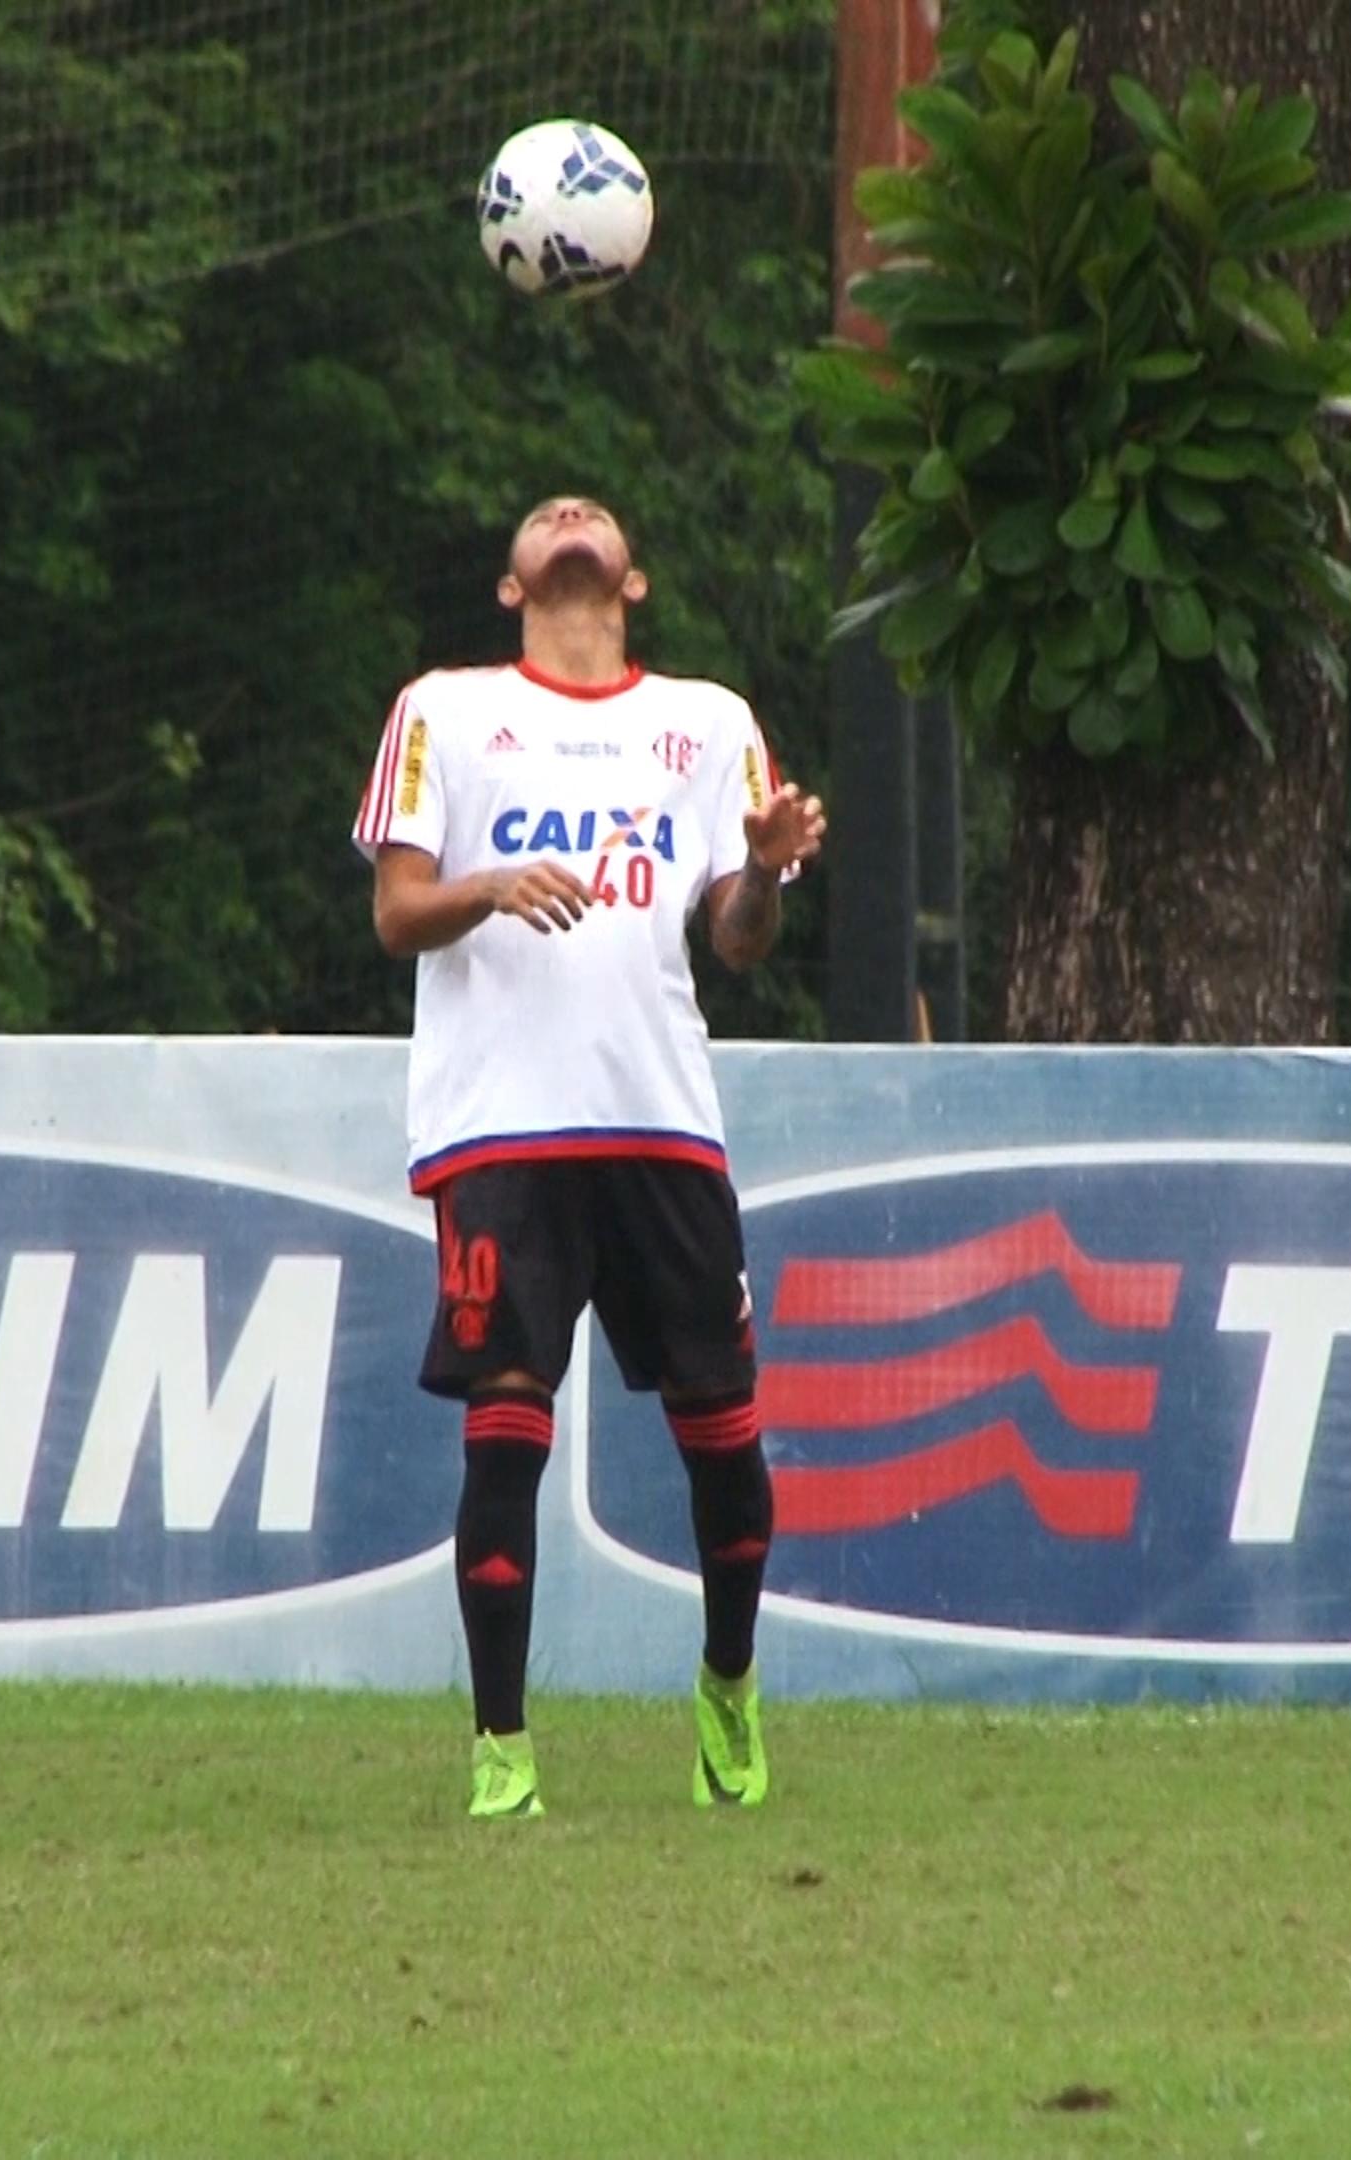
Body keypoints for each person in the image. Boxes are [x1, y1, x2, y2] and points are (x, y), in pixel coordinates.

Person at [351, 495, 826, 1821]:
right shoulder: (443, 710)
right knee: (505, 1435)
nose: (572, 520)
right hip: (501, 1127)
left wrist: (766, 873)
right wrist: (489, 886)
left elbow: (737, 940)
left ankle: (728, 1688)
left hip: (659, 1124)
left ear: (636, 578)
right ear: (511, 584)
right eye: (549, 518)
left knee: (723, 1440)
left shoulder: (709, 723)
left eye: (596, 517)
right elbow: (396, 911)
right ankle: (503, 1750)